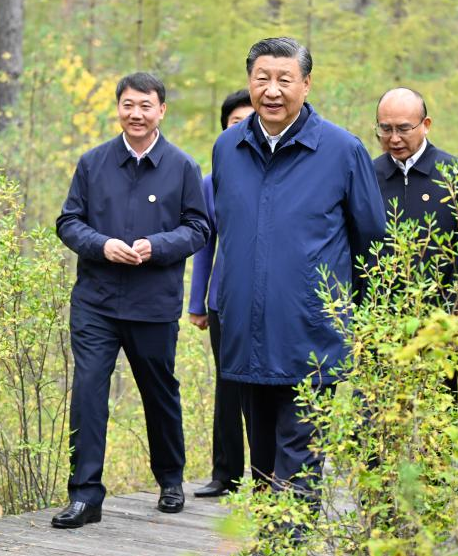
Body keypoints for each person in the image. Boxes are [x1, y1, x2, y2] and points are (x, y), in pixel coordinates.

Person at [211, 37, 385, 497]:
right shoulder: (227, 148)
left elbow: (372, 242)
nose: (272, 90)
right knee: (264, 469)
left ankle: (289, 544)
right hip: (246, 336)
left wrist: (355, 321)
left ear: (306, 84)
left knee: (301, 467)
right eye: (261, 78)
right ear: (249, 82)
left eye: (284, 79)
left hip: (312, 336)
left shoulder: (342, 151)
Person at [52, 72, 210, 528]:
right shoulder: (93, 162)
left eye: (145, 105)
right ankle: (85, 496)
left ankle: (170, 479)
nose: (136, 114)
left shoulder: (182, 167)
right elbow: (68, 222)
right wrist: (101, 244)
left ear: (161, 110)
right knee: (88, 393)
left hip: (152, 304)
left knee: (159, 393)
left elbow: (198, 228)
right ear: (117, 108)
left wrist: (155, 246)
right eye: (128, 105)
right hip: (96, 303)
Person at [371, 87, 458, 399]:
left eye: (403, 128)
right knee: (380, 413)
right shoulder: (368, 174)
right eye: (385, 129)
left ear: (425, 124)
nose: (394, 138)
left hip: (438, 321)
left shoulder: (454, 174)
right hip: (381, 321)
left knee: (439, 411)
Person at [188, 90, 255, 498]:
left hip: (270, 301)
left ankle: (273, 474)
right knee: (227, 386)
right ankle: (225, 474)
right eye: (235, 122)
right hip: (224, 300)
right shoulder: (211, 182)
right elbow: (203, 244)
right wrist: (198, 304)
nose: (243, 126)